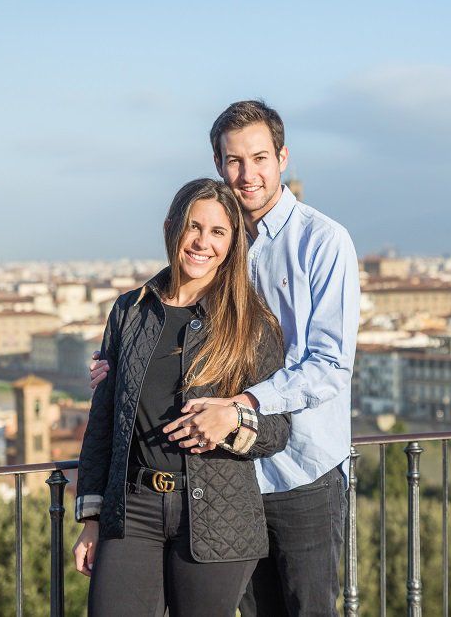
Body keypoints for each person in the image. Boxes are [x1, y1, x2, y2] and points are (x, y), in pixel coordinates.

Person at [91, 100, 361, 616]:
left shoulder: (322, 241)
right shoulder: (218, 234)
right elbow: (174, 315)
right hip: (221, 482)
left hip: (299, 471)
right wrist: (122, 365)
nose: (248, 174)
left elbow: (330, 364)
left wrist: (242, 405)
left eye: (259, 158)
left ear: (282, 158)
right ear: (219, 164)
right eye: (234, 161)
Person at [73, 178, 290, 617]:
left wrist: (232, 421)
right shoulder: (129, 311)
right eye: (194, 227)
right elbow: (104, 423)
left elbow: (278, 430)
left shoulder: (253, 324)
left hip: (219, 515)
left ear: (233, 243)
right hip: (133, 510)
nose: (202, 243)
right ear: (171, 228)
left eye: (218, 232)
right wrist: (92, 519)